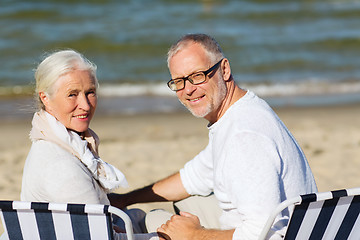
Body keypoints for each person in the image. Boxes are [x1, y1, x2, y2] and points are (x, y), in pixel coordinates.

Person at [108, 34, 317, 240]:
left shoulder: (244, 137)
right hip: (273, 228)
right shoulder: (241, 112)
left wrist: (196, 235)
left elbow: (265, 233)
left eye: (197, 75)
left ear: (224, 69)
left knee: (154, 222)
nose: (188, 89)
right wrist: (125, 199)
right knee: (188, 201)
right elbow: (193, 177)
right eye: (179, 81)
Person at [20, 49, 160, 240]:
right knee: (160, 221)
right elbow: (101, 237)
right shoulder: (61, 165)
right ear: (46, 98)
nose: (85, 105)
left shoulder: (53, 142)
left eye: (90, 92)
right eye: (72, 94)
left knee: (142, 215)